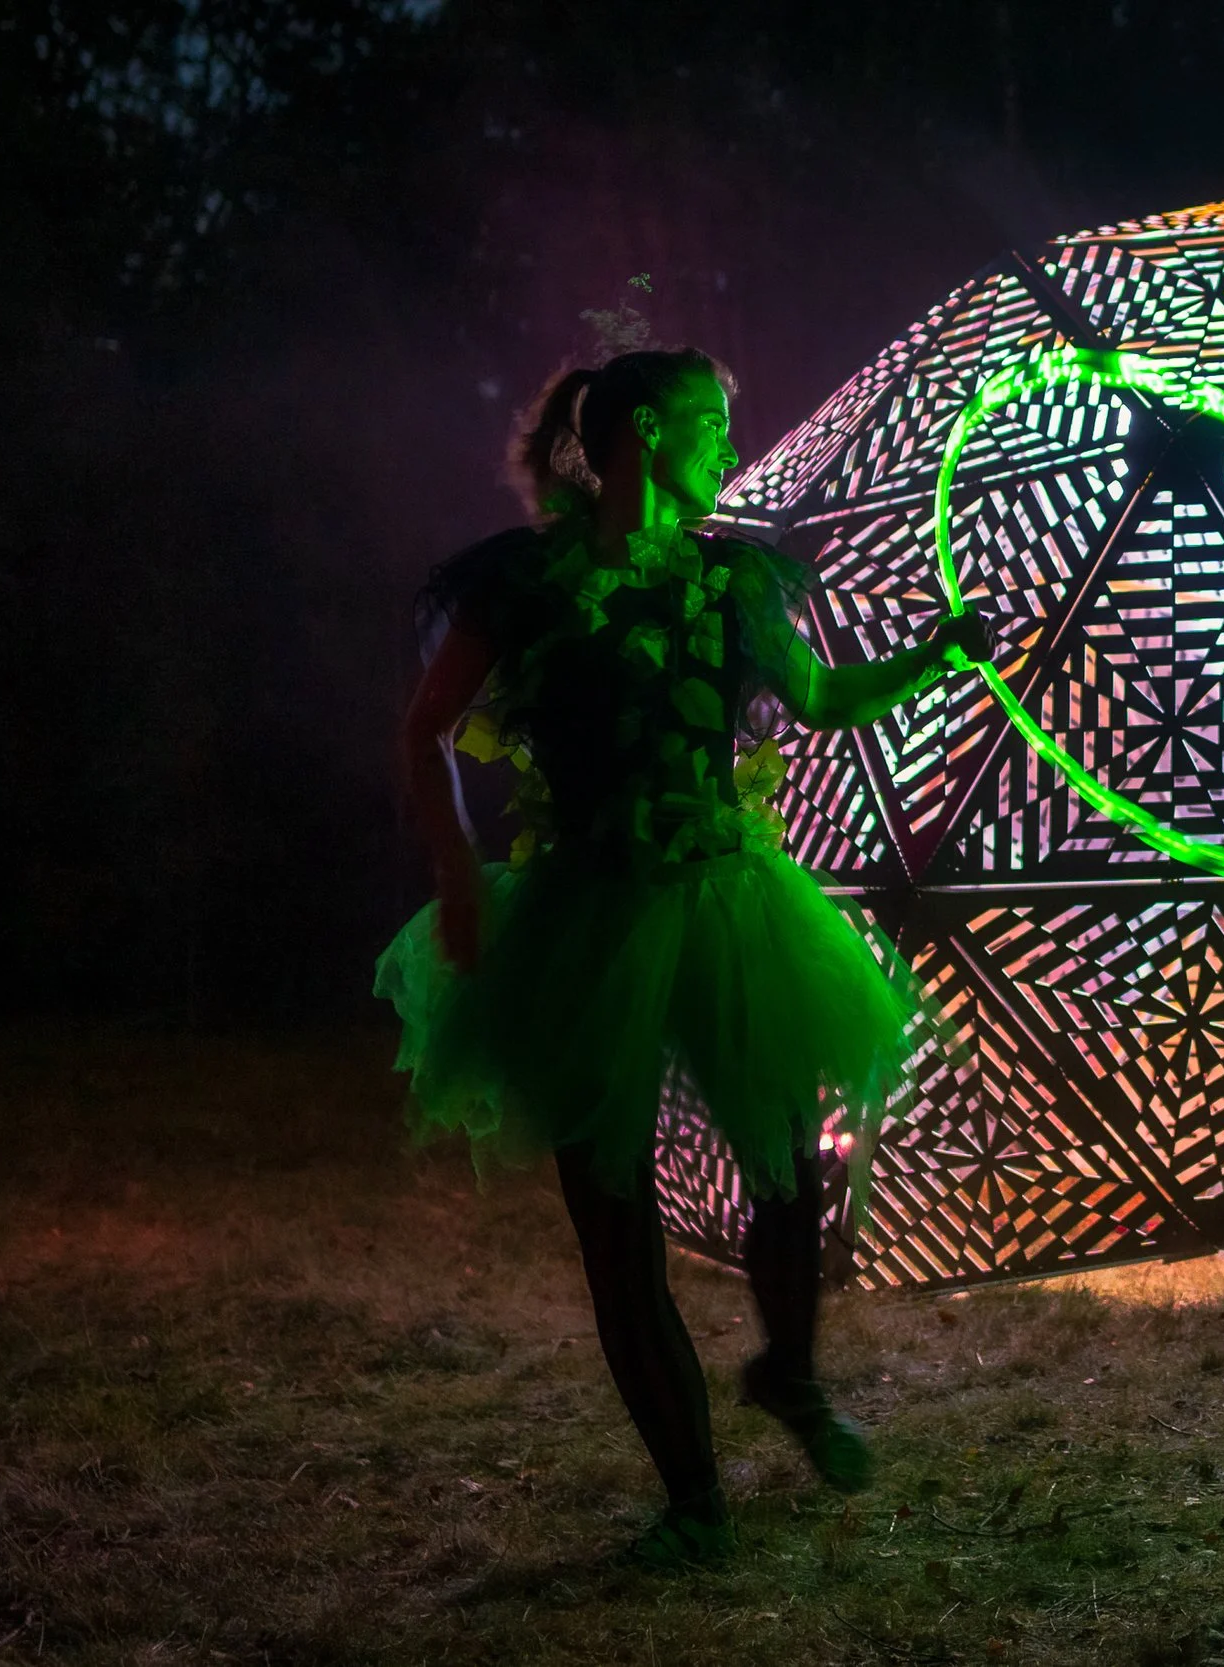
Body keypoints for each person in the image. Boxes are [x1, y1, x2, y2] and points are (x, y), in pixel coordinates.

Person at [373, 347, 991, 1567]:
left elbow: (815, 701)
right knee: (614, 1220)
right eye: (714, 422)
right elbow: (425, 729)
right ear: (648, 432)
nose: (728, 443)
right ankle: (694, 1498)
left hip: (722, 897)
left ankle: (787, 1372)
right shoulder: (525, 582)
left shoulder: (732, 576)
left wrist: (934, 654)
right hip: (581, 914)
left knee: (785, 1165)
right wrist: (455, 874)